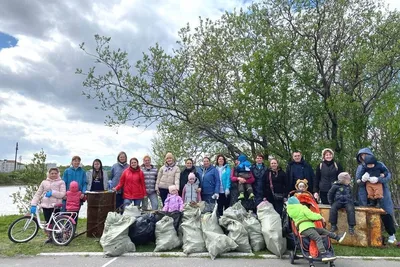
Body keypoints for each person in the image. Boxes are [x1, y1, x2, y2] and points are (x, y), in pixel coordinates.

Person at [356, 148, 397, 244]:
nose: (364, 156)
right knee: (368, 214)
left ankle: (392, 235)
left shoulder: (380, 164)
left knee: (385, 213)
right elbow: (358, 182)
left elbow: (388, 176)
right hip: (366, 194)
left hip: (382, 193)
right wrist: (363, 180)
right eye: (362, 155)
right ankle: (368, 238)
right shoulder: (361, 167)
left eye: (366, 154)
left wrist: (378, 179)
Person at [286, 196, 346, 262]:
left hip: (304, 229)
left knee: (322, 230)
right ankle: (323, 254)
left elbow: (304, 218)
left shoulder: (291, 211)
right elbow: (311, 215)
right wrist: (320, 217)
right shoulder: (302, 208)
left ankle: (337, 238)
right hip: (307, 227)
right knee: (318, 238)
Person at [31, 168, 66, 244]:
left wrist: (52, 192)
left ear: (58, 174)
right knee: (48, 223)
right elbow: (38, 194)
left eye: (55, 173)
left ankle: (59, 237)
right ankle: (50, 237)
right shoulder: (44, 182)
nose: (53, 175)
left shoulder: (61, 182)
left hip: (55, 205)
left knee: (56, 222)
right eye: (52, 173)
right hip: (45, 205)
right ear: (49, 174)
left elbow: (62, 194)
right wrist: (33, 204)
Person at [62, 155, 86, 226]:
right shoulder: (67, 171)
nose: (77, 162)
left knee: (75, 214)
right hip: (68, 196)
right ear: (72, 162)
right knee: (66, 213)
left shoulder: (82, 172)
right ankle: (65, 230)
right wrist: (63, 194)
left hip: (78, 196)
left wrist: (83, 193)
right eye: (75, 161)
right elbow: (63, 183)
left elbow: (85, 183)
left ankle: (73, 230)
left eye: (78, 161)